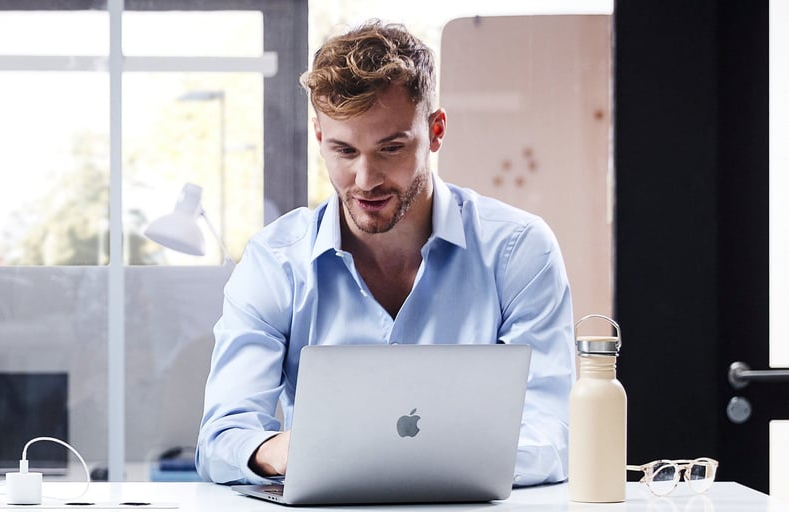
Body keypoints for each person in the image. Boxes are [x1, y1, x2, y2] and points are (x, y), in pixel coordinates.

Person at [196, 20, 574, 487]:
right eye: (344, 150)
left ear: (435, 131)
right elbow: (222, 437)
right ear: (319, 137)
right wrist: (280, 450)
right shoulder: (275, 262)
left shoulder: (519, 250)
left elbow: (552, 434)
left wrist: (416, 465)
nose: (365, 178)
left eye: (390, 148)